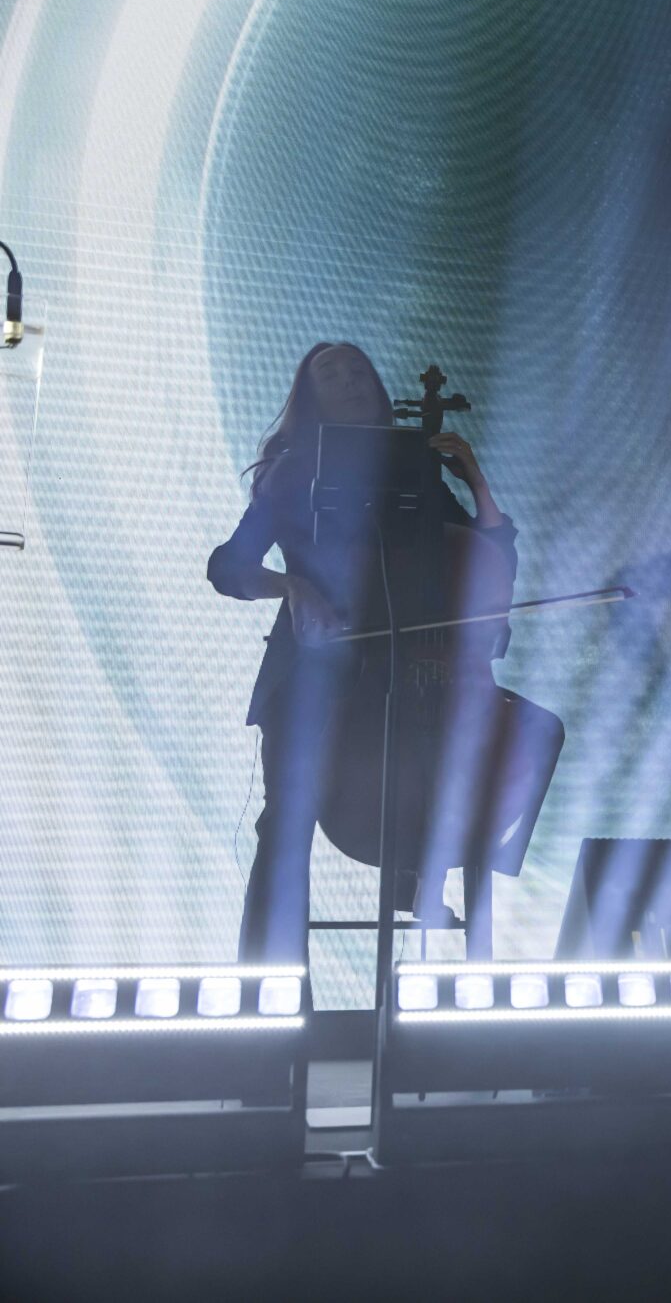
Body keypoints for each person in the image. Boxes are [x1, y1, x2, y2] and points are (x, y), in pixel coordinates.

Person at [208, 342, 518, 963]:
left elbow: (486, 564)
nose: (348, 377)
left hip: (413, 677)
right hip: (312, 676)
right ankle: (269, 985)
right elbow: (228, 566)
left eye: (357, 369)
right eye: (331, 372)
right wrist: (291, 586)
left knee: (509, 755)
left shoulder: (412, 467)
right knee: (286, 824)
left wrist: (475, 480)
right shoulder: (295, 471)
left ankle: (426, 885)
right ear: (311, 395)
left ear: (376, 387)